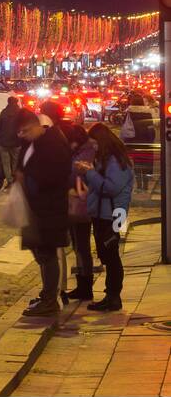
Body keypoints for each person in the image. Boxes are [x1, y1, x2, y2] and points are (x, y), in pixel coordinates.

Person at [15, 110, 73, 317]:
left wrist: (28, 178)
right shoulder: (34, 143)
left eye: (25, 130)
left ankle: (50, 300)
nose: (22, 135)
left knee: (47, 254)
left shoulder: (52, 145)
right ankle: (47, 295)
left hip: (49, 208)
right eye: (20, 132)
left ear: (37, 125)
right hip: (38, 208)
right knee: (41, 254)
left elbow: (54, 176)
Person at [81, 124, 134, 311]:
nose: (93, 147)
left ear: (102, 142)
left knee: (111, 255)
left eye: (95, 143)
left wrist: (90, 172)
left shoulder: (116, 161)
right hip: (105, 212)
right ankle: (110, 295)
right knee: (107, 254)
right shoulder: (108, 159)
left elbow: (110, 188)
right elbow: (99, 185)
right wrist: (88, 173)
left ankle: (113, 297)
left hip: (113, 214)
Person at [63, 124, 98, 303]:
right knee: (78, 246)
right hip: (79, 203)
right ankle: (82, 285)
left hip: (82, 204)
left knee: (82, 246)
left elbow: (75, 173)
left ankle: (86, 287)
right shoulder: (84, 150)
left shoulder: (86, 152)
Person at [0, 96, 22, 184]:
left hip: (3, 142)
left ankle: (9, 179)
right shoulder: (20, 113)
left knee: (6, 163)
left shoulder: (4, 112)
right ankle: (14, 178)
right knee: (15, 161)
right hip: (16, 142)